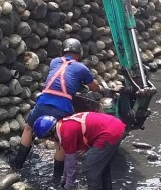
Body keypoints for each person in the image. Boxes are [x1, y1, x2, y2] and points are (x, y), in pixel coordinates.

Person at [11, 38, 106, 178]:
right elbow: (94, 87)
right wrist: (101, 89)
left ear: (63, 52)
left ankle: (18, 164)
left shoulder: (54, 61)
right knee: (60, 139)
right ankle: (56, 176)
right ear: (79, 54)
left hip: (43, 101)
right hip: (63, 106)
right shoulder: (81, 68)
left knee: (28, 128)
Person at [32, 112, 126, 190]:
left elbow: (71, 165)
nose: (51, 141)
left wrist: (67, 189)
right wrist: (64, 183)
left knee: (90, 168)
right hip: (115, 126)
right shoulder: (63, 125)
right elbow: (68, 162)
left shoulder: (67, 135)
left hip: (110, 133)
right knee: (102, 168)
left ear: (50, 135)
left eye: (48, 139)